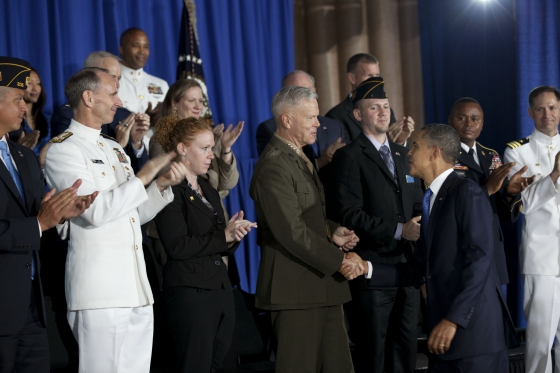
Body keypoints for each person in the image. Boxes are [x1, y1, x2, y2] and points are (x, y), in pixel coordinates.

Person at [343, 124, 518, 372]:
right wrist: (366, 268)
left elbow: (480, 261)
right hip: (443, 339)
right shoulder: (431, 199)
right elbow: (417, 270)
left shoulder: (466, 192)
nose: (409, 153)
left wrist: (453, 320)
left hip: (475, 338)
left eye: (415, 146)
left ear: (435, 152)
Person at [44, 67, 187, 372]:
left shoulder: (113, 148)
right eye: (112, 93)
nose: (119, 101)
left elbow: (132, 214)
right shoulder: (63, 150)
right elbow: (95, 213)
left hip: (135, 287)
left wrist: (159, 186)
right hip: (99, 292)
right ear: (88, 97)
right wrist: (145, 174)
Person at [250, 85, 361, 372]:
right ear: (287, 120)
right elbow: (290, 231)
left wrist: (332, 231)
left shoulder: (300, 156)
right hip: (295, 292)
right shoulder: (273, 165)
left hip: (323, 286)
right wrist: (339, 261)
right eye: (310, 117)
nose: (318, 123)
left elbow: (309, 217)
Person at [0, 56, 97, 373]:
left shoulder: (24, 156)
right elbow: (33, 221)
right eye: (17, 99)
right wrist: (40, 223)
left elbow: (42, 210)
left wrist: (65, 211)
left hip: (31, 306)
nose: (25, 107)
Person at [329, 76, 423, 373]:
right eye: (374, 107)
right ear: (358, 115)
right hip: (372, 268)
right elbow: (350, 213)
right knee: (375, 353)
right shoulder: (349, 156)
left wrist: (421, 224)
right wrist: (398, 230)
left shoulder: (403, 154)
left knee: (406, 350)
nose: (383, 112)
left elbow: (417, 200)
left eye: (385, 106)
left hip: (407, 268)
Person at [153, 116, 256, 371]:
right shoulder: (170, 189)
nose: (212, 155)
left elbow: (216, 241)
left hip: (220, 289)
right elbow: (177, 246)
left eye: (212, 148)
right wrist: (224, 237)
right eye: (205, 148)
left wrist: (233, 236)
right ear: (182, 149)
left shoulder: (208, 187)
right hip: (190, 295)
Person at [503, 85, 560, 373]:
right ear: (530, 113)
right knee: (540, 344)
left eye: (552, 108)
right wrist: (554, 174)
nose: (547, 114)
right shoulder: (518, 152)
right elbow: (522, 204)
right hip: (542, 259)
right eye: (540, 108)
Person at [447, 97, 531, 287]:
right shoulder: (443, 156)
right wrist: (487, 189)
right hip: (461, 250)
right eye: (462, 118)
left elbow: (505, 215)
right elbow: (448, 203)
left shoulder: (491, 156)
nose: (469, 124)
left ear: (482, 124)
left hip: (493, 251)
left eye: (475, 119)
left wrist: (510, 193)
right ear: (450, 120)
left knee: (497, 313)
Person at [50, 51, 149, 173]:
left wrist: (136, 143)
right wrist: (118, 147)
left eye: (119, 78)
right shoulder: (68, 115)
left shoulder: (124, 115)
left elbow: (141, 178)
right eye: (112, 77)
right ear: (90, 76)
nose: (117, 84)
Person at [256, 70, 347, 169]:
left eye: (307, 90)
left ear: (314, 90)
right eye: (297, 91)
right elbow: (277, 169)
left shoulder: (334, 126)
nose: (317, 124)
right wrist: (321, 161)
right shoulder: (269, 129)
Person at [326, 53, 414, 145]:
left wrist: (400, 141)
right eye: (369, 76)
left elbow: (400, 155)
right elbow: (345, 156)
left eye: (377, 75)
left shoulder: (387, 112)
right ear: (352, 78)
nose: (375, 81)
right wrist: (384, 142)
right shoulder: (335, 116)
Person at [118, 27, 169, 128]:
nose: (142, 51)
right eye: (136, 45)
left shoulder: (161, 85)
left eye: (146, 46)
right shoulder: (112, 81)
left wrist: (161, 119)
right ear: (122, 50)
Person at [8, 67, 50, 157]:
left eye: (38, 83)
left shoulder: (48, 119)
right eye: (29, 83)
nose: (35, 88)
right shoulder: (12, 121)